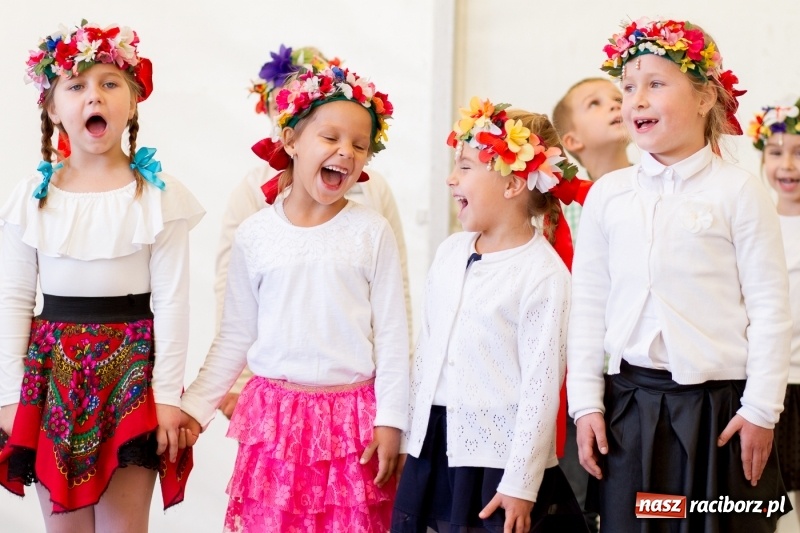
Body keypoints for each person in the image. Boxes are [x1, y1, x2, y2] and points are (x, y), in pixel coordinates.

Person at [568, 18, 792, 532]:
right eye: (628, 87)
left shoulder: (738, 192)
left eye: (656, 84)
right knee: (638, 522)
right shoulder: (609, 195)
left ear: (704, 97)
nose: (637, 99)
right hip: (629, 411)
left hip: (719, 415)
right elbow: (587, 308)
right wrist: (585, 404)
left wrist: (761, 409)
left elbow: (770, 310)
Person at [179, 65, 409, 532]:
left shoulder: (371, 231)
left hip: (354, 425)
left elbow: (393, 335)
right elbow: (236, 335)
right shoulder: (256, 235)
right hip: (275, 423)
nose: (346, 151)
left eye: (360, 145)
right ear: (290, 142)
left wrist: (394, 421)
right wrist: (193, 409)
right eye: (330, 138)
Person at [0, 20, 204, 532]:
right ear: (52, 107)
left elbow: (176, 303)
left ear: (132, 102)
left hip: (131, 376)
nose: (95, 95)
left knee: (124, 526)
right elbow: (13, 297)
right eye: (77, 86)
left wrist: (170, 398)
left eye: (111, 84)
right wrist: (8, 394)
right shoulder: (32, 197)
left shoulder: (159, 195)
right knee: (64, 527)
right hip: (53, 374)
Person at [392, 97, 592, 533]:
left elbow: (542, 387)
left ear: (513, 183)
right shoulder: (449, 253)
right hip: (434, 445)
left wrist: (521, 481)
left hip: (495, 460)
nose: (450, 178)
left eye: (465, 166)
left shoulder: (542, 274)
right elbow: (425, 353)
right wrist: (412, 436)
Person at [216, 44, 411, 419]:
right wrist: (237, 381)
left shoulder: (373, 198)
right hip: (278, 385)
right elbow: (232, 292)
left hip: (350, 387)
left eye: (357, 144)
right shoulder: (253, 194)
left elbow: (394, 296)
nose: (344, 150)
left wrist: (396, 405)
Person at [750, 97, 800, 530]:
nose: (788, 165)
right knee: (763, 499)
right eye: (777, 152)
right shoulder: (757, 218)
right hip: (771, 387)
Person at [552, 77, 631, 243]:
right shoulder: (568, 212)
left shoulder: (660, 181)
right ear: (573, 141)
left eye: (619, 99)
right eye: (594, 103)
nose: (616, 105)